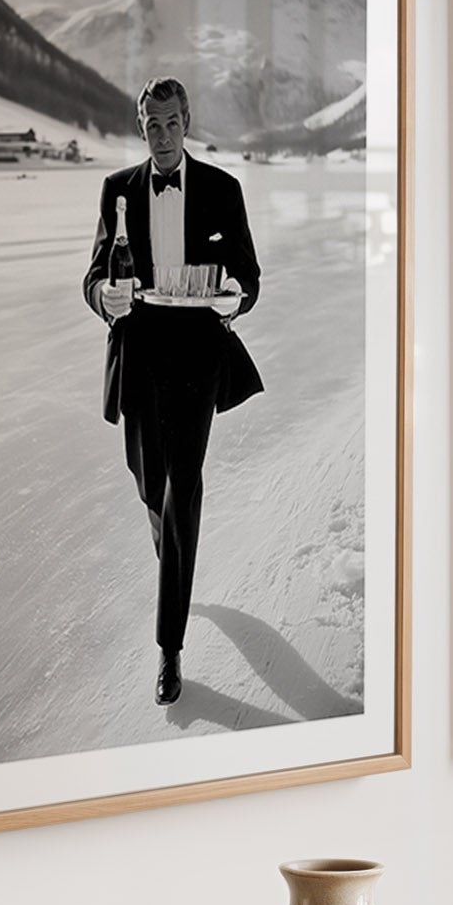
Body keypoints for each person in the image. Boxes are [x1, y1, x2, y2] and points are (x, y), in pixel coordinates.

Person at [83, 77, 262, 705]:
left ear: (187, 122)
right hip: (137, 360)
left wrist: (235, 297)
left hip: (196, 364)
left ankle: (170, 647)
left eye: (171, 123)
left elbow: (248, 273)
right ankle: (169, 547)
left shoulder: (222, 189)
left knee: (182, 491)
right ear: (140, 128)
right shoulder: (117, 192)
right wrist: (102, 297)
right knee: (149, 486)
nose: (161, 136)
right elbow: (94, 273)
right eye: (150, 125)